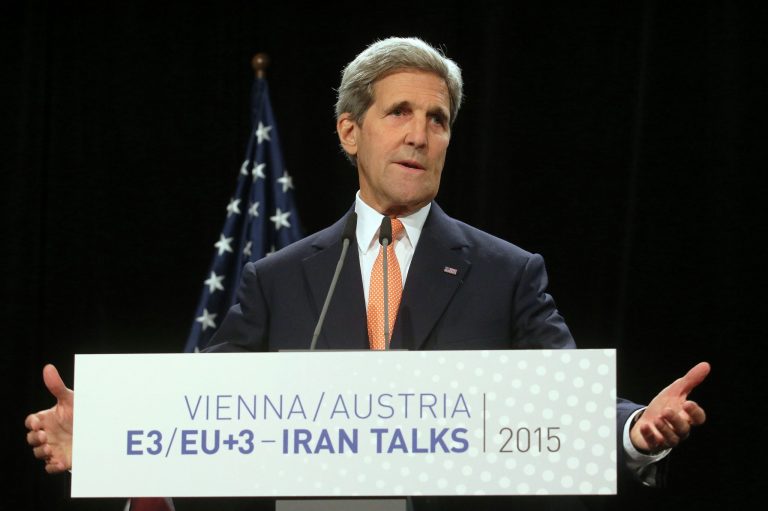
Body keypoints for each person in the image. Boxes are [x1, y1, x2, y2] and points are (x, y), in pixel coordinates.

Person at [26, 37, 710, 509]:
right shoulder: (278, 278)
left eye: (438, 119)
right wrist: (108, 436)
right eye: (400, 112)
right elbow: (205, 414)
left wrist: (634, 429)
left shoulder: (508, 273)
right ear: (350, 131)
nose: (420, 134)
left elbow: (565, 401)